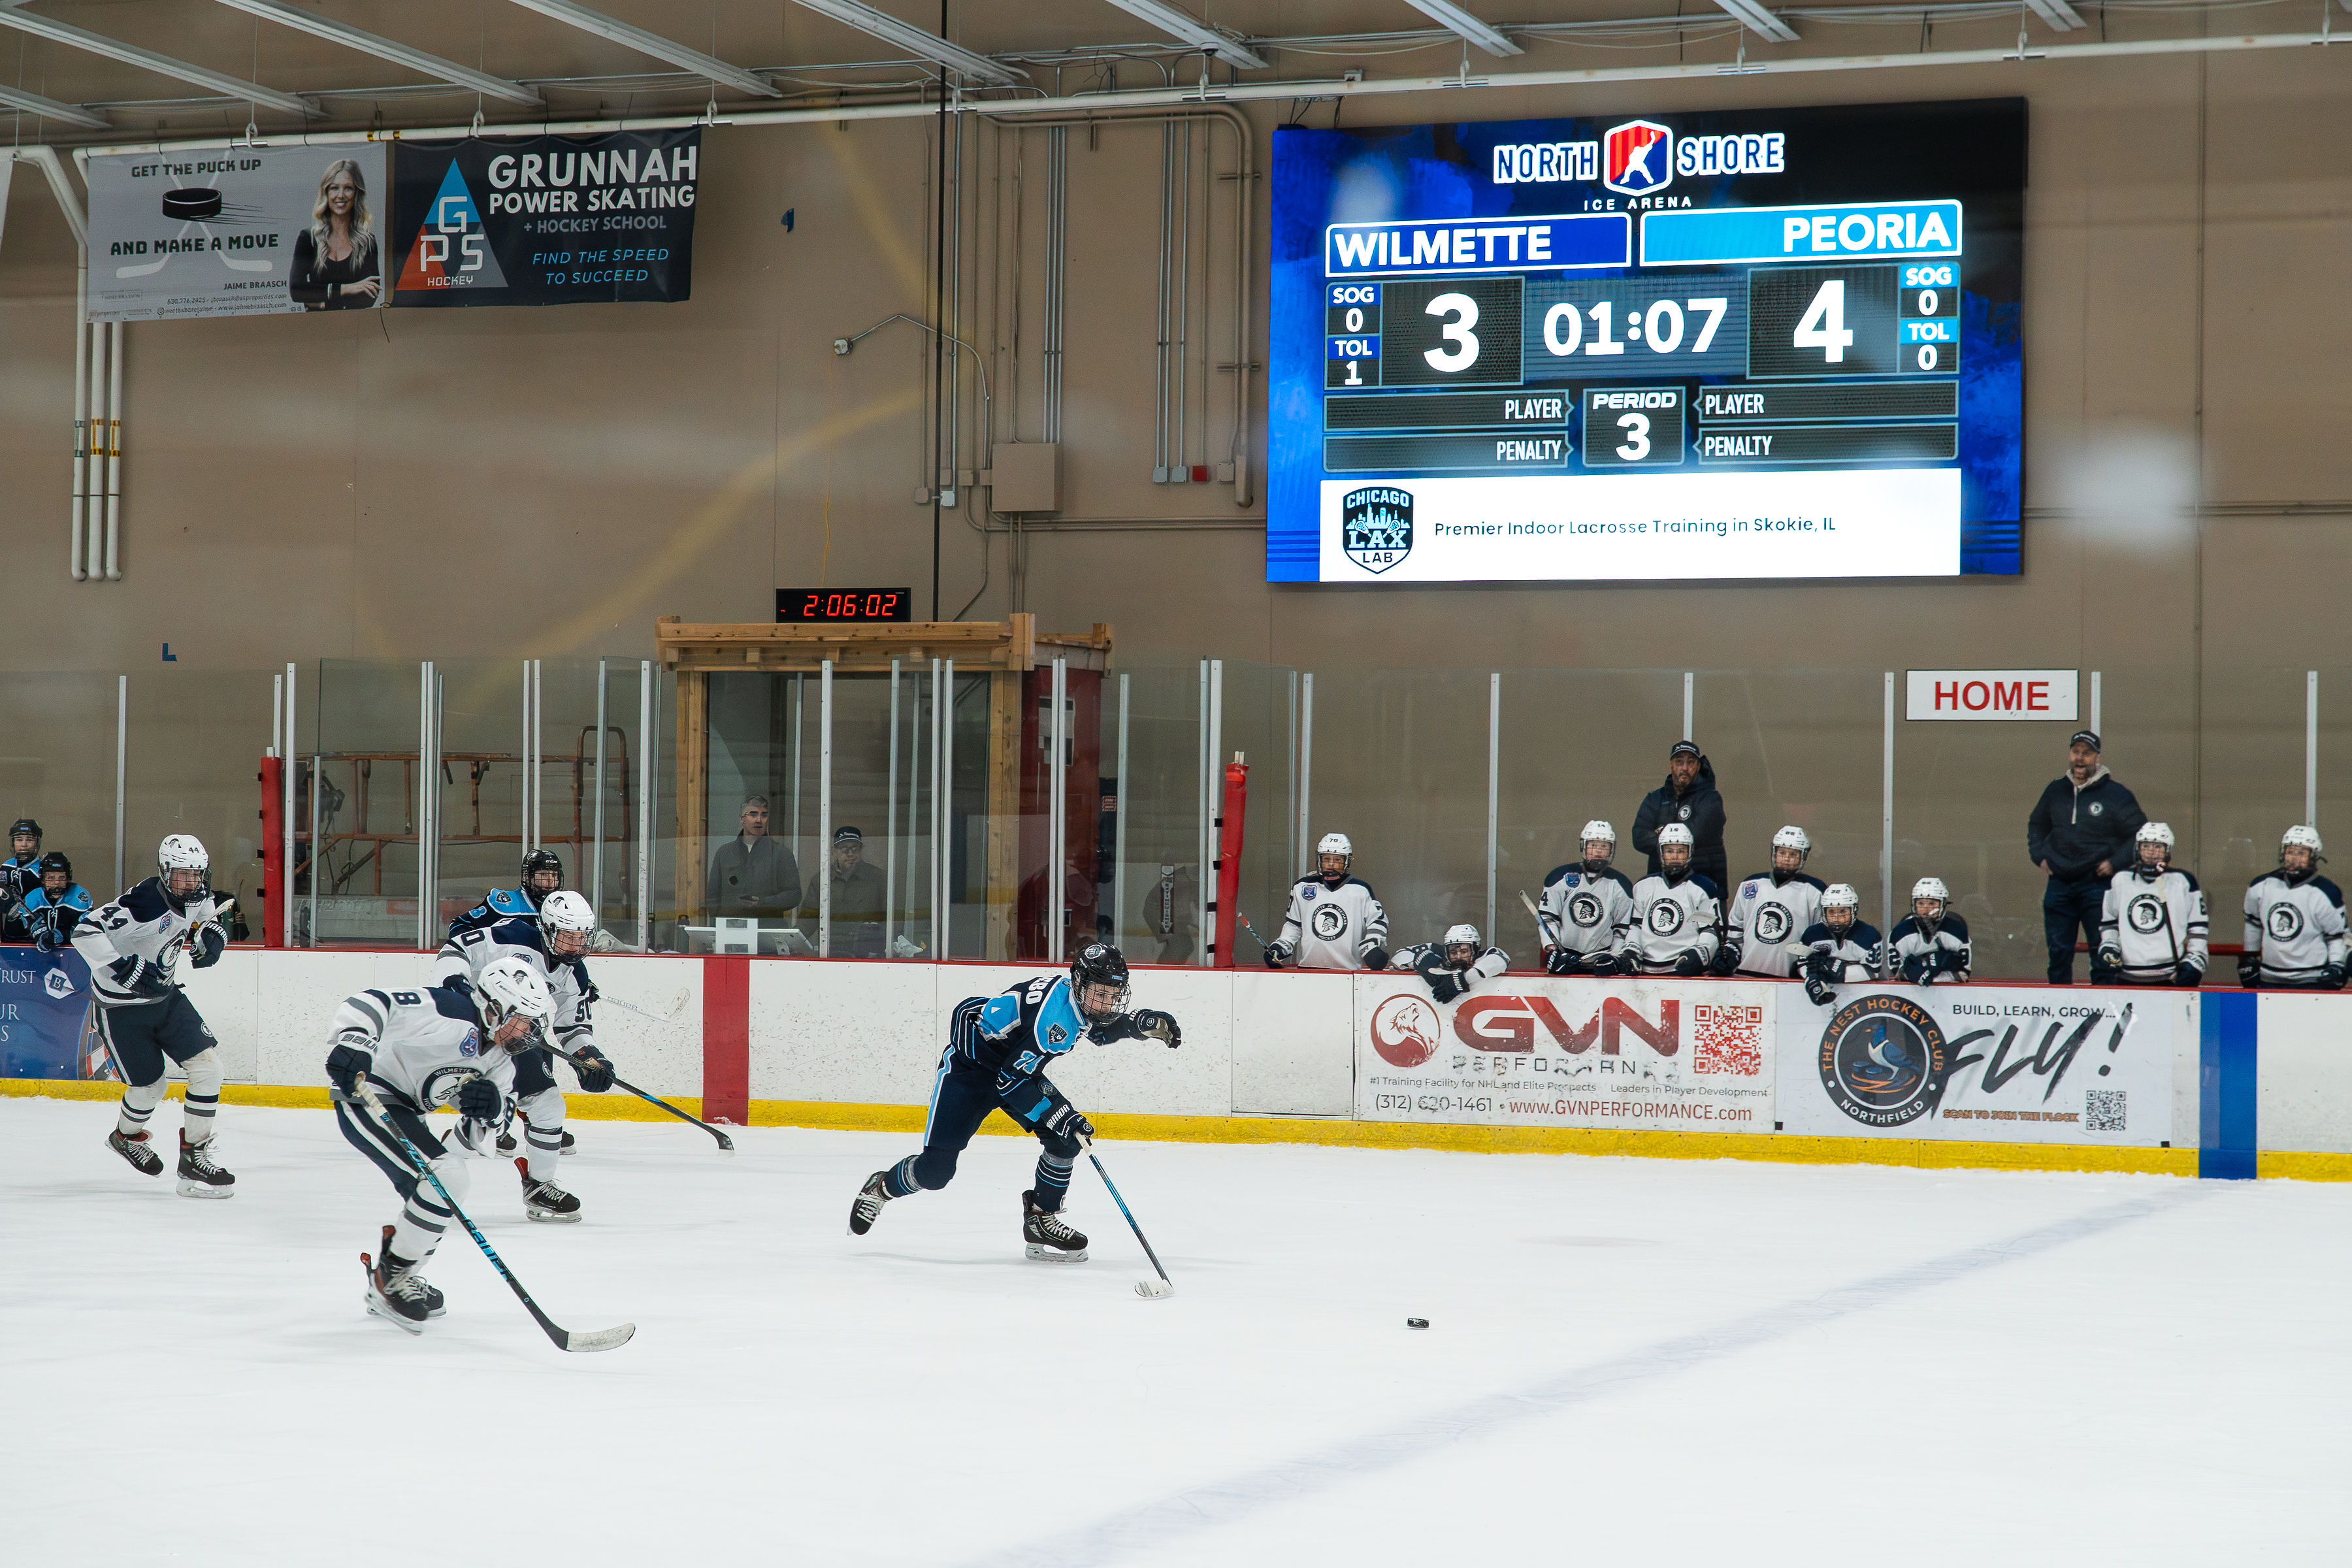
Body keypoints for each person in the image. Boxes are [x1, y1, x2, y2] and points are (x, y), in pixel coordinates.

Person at [847, 943, 1181, 1260]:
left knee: (1067, 1139)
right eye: (1101, 994)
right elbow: (1012, 1081)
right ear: (1080, 983)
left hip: (1014, 1066)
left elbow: (1097, 1028)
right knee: (936, 1173)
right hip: (971, 1071)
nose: (1107, 1004)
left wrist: (1139, 1024)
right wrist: (1058, 1114)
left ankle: (1040, 1218)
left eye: (1113, 996)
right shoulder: (1054, 1023)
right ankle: (881, 1188)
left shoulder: (1075, 999)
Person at [325, 955, 557, 1332]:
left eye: (534, 1022)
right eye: (523, 1020)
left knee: (434, 1194)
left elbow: (485, 1136)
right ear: (495, 1007)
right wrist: (354, 1041)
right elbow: (371, 1002)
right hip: (369, 1095)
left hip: (407, 1111)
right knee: (447, 1178)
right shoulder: (450, 1009)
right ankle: (391, 1280)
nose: (529, 1032)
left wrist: (491, 1108)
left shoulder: (501, 1060)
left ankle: (399, 1274)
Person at [72, 835, 238, 1197]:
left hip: (166, 1000)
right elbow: (84, 930)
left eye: (196, 875)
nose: (190, 883)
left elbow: (213, 911)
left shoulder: (194, 895)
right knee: (152, 1088)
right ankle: (125, 1138)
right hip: (121, 1011)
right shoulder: (145, 903)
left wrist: (215, 937)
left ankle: (194, 1155)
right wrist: (123, 968)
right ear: (164, 872)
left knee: (210, 1069)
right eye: (181, 875)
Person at [434, 888, 611, 1181]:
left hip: (517, 1037)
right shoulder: (510, 936)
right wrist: (454, 983)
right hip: (474, 1031)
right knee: (487, 1117)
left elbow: (573, 1025)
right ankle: (445, 1156)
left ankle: (539, 1186)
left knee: (548, 1105)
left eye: (582, 938)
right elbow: (455, 949)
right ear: (547, 928)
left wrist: (590, 1057)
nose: (576, 946)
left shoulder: (575, 972)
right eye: (568, 936)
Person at [2027, 730, 2147, 984]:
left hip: (2098, 885)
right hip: (2059, 884)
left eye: (2087, 753)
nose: (2080, 759)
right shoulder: (2055, 790)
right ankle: (2059, 1007)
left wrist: (2115, 863)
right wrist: (2040, 856)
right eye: (2076, 752)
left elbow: (2139, 833)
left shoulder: (2117, 795)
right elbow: (2037, 824)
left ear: (2098, 757)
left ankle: (2105, 1010)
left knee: (2102, 952)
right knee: (2058, 953)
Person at [2095, 823, 2208, 987]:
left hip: (2170, 976)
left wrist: (2195, 961)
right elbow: (2109, 923)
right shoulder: (2121, 880)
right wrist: (2109, 948)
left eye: (2158, 847)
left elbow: (2198, 928)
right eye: (2146, 846)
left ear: (2168, 850)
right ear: (2137, 849)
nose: (2151, 852)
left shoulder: (2183, 881)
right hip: (2127, 976)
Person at [2240, 826, 2346, 989]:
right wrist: (2250, 957)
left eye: (2301, 853)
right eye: (2290, 852)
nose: (2294, 859)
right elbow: (2253, 924)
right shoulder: (2261, 886)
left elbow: (2336, 937)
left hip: (2312, 980)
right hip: (2270, 978)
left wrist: (2337, 965)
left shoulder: (2326, 892)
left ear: (2314, 856)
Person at [1265, 833, 1390, 971]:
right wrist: (1282, 945)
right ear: (1319, 860)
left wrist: (1371, 944)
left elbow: (1378, 921)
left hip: (1348, 972)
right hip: (1308, 969)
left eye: (1337, 859)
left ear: (1347, 861)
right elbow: (1294, 924)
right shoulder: (1302, 887)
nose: (1331, 864)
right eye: (1326, 859)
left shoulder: (1360, 890)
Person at [1718, 825, 1827, 979]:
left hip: (1790, 980)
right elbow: (1735, 934)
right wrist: (1729, 954)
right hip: (1745, 976)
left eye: (1793, 854)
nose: (1787, 858)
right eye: (1782, 853)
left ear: (1803, 857)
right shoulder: (1750, 885)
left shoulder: (1815, 891)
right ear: (1774, 853)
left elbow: (1821, 940)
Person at [1617, 823, 1722, 976]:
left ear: (1690, 852)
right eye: (1669, 851)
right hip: (1645, 971)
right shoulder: (1643, 886)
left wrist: (1699, 955)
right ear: (1661, 853)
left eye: (1681, 851)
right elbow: (1636, 927)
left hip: (1682, 970)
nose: (1675, 856)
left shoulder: (1703, 888)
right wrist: (1631, 950)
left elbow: (1709, 931)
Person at [1631, 742, 1729, 893]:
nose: (1684, 768)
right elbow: (1639, 838)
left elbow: (1698, 834)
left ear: (1698, 766)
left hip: (1705, 886)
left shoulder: (1711, 799)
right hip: (1661, 886)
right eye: (1679, 762)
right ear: (1671, 765)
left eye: (1690, 762)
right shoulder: (1655, 799)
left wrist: (1660, 832)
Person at [1539, 821, 1635, 975]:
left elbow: (1622, 930)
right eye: (1593, 846)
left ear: (1611, 850)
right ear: (1584, 847)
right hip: (1565, 956)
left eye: (1604, 846)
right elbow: (1548, 918)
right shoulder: (1560, 877)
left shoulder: (1621, 885)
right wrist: (1553, 951)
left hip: (1601, 959)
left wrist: (1615, 958)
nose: (1598, 851)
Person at [288, 157, 382, 310]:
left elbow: (368, 297)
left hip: (356, 327)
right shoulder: (309, 239)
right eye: (334, 188)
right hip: (316, 329)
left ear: (357, 193)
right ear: (326, 192)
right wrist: (346, 289)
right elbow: (297, 290)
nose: (341, 195)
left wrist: (321, 300)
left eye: (348, 188)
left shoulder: (367, 241)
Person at [706, 796, 802, 924]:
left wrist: (763, 903)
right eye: (753, 814)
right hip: (730, 933)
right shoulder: (725, 853)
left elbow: (794, 895)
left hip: (767, 932)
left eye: (764, 815)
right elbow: (712, 898)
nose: (759, 820)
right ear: (742, 819)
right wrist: (725, 919)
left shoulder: (781, 854)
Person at [806, 825, 889, 958]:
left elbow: (892, 921)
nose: (850, 854)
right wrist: (791, 941)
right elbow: (808, 919)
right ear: (834, 851)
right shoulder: (821, 880)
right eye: (844, 849)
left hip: (869, 954)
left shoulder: (878, 878)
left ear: (861, 849)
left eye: (854, 848)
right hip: (830, 952)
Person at [449, 849, 566, 939]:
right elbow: (460, 925)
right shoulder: (506, 903)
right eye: (544, 875)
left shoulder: (562, 908)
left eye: (554, 875)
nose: (551, 880)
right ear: (528, 877)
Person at [1797, 883, 1883, 1005]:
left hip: (1862, 999)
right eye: (1831, 912)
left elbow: (1873, 971)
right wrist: (1814, 980)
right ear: (1824, 911)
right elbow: (1804, 965)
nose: (1837, 918)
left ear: (1854, 910)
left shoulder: (1869, 935)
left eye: (1843, 911)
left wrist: (1839, 971)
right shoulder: (1812, 935)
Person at [1390, 923, 1509, 1003]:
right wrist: (1419, 963)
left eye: (1464, 951)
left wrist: (1461, 980)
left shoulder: (1486, 955)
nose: (1458, 956)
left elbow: (1500, 960)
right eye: (1453, 952)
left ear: (1475, 949)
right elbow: (1398, 956)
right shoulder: (1437, 951)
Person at [1889, 877, 1972, 985]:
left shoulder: (1957, 931)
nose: (1926, 909)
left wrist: (1931, 976)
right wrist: (1911, 973)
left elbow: (1963, 973)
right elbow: (1897, 971)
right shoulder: (1900, 933)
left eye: (1932, 904)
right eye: (1921, 904)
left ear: (1943, 905)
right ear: (1914, 905)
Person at [8, 852, 93, 949]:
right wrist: (38, 931)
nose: (57, 883)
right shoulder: (33, 898)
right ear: (43, 879)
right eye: (51, 878)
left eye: (61, 878)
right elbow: (19, 932)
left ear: (68, 878)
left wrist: (62, 935)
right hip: (38, 957)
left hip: (73, 955)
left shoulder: (79, 896)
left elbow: (85, 931)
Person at [1138, 862, 1199, 964]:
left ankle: (1167, 971)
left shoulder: (1191, 877)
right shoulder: (1188, 878)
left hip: (1169, 914)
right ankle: (1163, 973)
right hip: (1160, 912)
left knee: (1185, 946)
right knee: (1180, 945)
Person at [1, 818, 43, 906]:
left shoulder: (43, 871)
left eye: (30, 840)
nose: (24, 845)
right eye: (19, 840)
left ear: (37, 843)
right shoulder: (6, 866)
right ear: (13, 843)